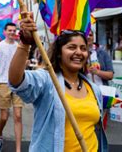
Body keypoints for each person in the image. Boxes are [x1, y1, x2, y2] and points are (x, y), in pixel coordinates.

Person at [9, 12, 108, 152]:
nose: (79, 52)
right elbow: (16, 81)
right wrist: (25, 43)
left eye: (83, 48)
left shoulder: (93, 89)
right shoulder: (48, 81)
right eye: (72, 47)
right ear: (59, 53)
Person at [0, 22, 24, 152]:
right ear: (4, 32)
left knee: (18, 115)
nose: (12, 32)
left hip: (18, 83)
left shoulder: (19, 47)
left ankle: (18, 149)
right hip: (3, 84)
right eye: (9, 30)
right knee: (4, 117)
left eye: (14, 30)